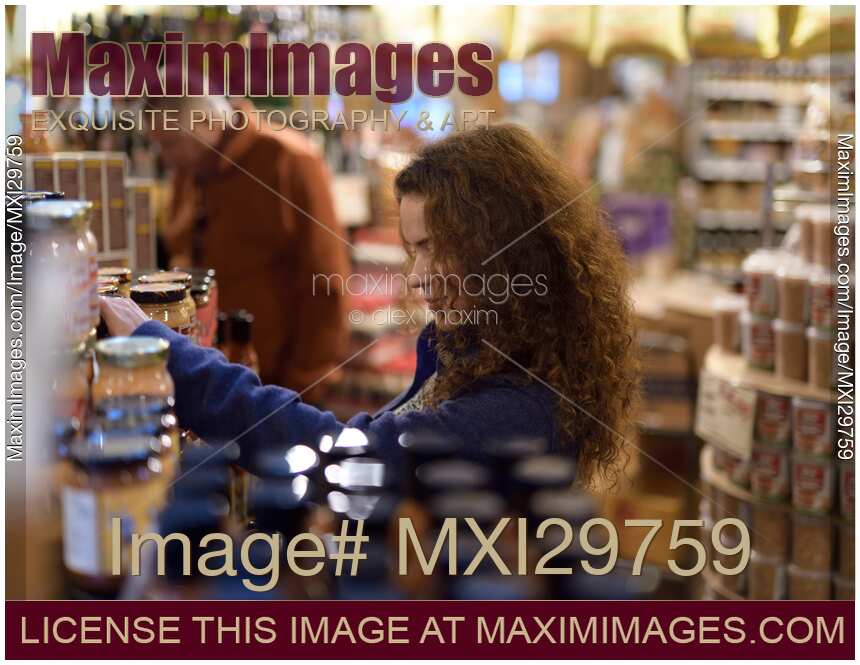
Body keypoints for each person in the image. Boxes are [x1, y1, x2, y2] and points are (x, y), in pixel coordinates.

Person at [102, 124, 639, 485]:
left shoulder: (515, 409)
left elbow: (348, 455)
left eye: (434, 248)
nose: (418, 276)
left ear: (503, 250)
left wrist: (168, 354)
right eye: (413, 250)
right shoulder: (481, 354)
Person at [147, 95, 350, 398]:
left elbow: (326, 275)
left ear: (207, 122)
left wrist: (305, 382)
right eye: (159, 145)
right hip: (209, 374)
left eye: (172, 142)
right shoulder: (191, 167)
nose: (166, 157)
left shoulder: (287, 158)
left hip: (279, 382)